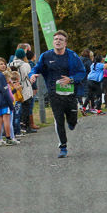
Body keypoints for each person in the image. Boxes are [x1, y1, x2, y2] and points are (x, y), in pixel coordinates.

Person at [29, 30, 86, 158]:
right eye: (56, 39)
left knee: (72, 120)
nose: (58, 41)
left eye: (61, 39)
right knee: (59, 120)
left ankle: (72, 122)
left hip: (70, 94)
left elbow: (82, 73)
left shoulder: (73, 56)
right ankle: (63, 146)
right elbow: (36, 68)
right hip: (54, 94)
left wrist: (70, 79)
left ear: (65, 43)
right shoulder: (46, 56)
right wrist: (32, 74)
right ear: (53, 42)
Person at [0, 58, 18, 146]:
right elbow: (5, 91)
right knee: (6, 120)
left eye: (4, 64)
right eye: (1, 64)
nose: (3, 66)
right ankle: (8, 138)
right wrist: (10, 104)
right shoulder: (1, 76)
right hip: (4, 101)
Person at [9, 49, 34, 133]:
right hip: (25, 86)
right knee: (26, 107)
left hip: (14, 86)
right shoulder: (26, 65)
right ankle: (27, 126)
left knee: (17, 108)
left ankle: (18, 126)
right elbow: (29, 75)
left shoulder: (10, 64)